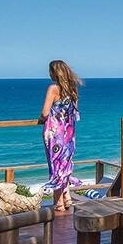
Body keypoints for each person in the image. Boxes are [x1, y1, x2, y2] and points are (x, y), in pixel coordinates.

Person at [40, 60, 82, 212]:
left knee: (55, 165)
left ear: (55, 72)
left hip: (55, 133)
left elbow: (45, 113)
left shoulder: (53, 88)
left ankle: (59, 203)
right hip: (69, 133)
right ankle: (67, 198)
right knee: (65, 165)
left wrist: (42, 118)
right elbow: (74, 112)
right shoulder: (72, 89)